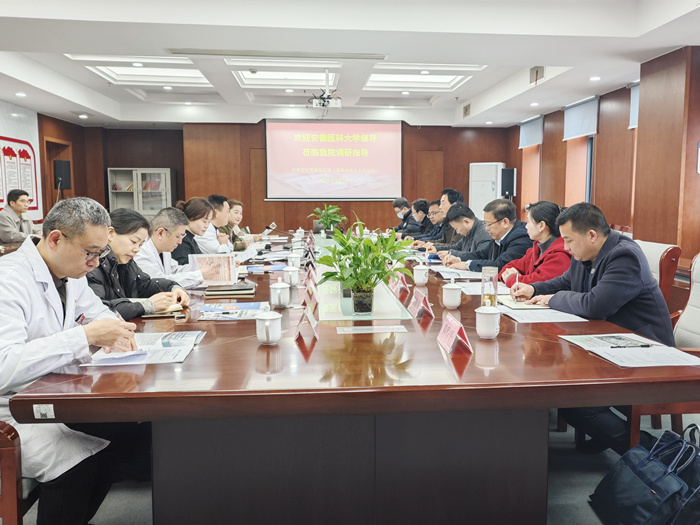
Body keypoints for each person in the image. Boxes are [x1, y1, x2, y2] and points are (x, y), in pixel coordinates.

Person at [0, 197, 139, 525]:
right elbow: (4, 367)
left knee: (125, 432)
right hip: (10, 410)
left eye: (101, 253)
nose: (95, 262)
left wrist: (116, 329)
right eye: (90, 252)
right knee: (75, 461)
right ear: (55, 239)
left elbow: (96, 313)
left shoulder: (71, 273)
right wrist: (84, 336)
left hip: (50, 395)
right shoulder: (8, 280)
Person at [512, 202, 674, 455]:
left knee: (576, 402)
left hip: (646, 352)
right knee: (568, 396)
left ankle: (657, 453)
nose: (566, 248)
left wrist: (552, 299)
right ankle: (614, 437)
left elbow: (594, 305)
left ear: (591, 235)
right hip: (611, 344)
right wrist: (534, 289)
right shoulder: (585, 253)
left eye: (569, 240)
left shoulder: (625, 256)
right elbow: (566, 281)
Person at [87, 208, 189, 321]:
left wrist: (173, 287)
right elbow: (99, 309)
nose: (136, 249)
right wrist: (146, 306)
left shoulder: (126, 262)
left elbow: (144, 285)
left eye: (140, 245)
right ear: (110, 234)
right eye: (134, 241)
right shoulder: (92, 265)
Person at [134, 207, 220, 288]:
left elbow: (175, 270)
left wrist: (200, 268)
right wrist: (199, 275)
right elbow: (159, 282)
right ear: (161, 233)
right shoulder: (141, 252)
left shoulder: (164, 251)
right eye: (178, 237)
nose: (180, 242)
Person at [498, 201, 571, 287]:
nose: (526, 226)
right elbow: (508, 267)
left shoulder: (560, 255)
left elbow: (537, 283)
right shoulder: (536, 249)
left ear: (541, 225)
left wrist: (511, 278)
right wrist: (509, 275)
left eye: (528, 221)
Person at [445, 198, 532, 271]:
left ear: (505, 222)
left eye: (489, 224)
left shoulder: (521, 238)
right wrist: (459, 259)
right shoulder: (498, 236)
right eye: (485, 224)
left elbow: (500, 265)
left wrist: (467, 265)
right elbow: (481, 254)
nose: (486, 228)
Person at [170, 197, 215, 266]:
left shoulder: (191, 239)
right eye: (204, 221)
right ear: (191, 217)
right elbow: (183, 267)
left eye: (209, 222)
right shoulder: (182, 241)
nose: (207, 226)